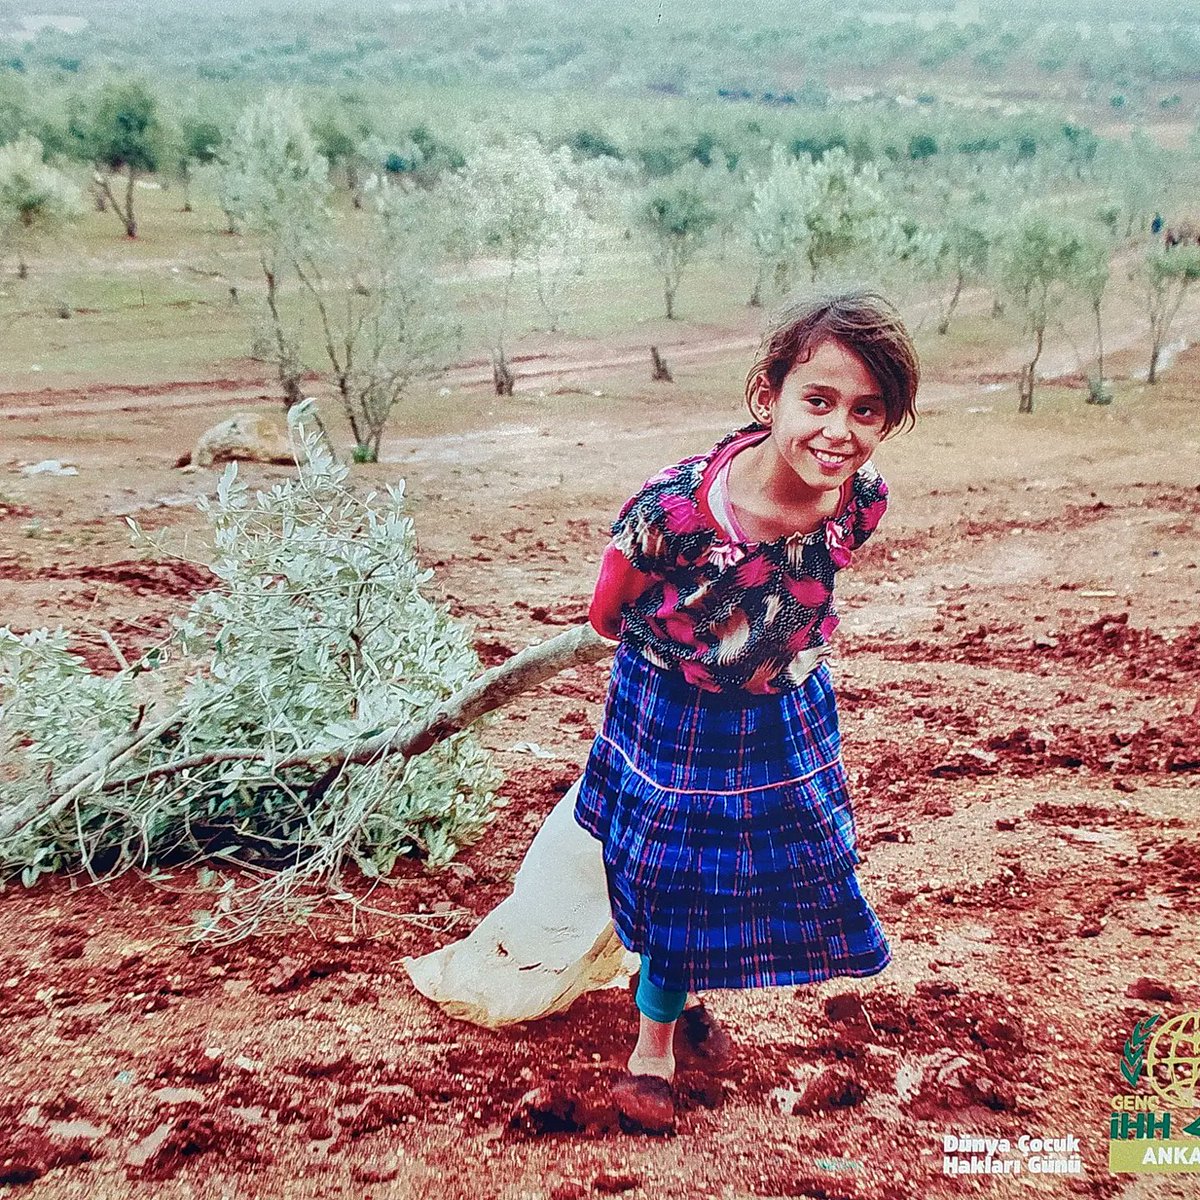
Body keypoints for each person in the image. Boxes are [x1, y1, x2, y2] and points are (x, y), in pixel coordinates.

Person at [574, 290, 919, 1132]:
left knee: (777, 864)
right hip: (675, 711)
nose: (840, 430)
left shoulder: (860, 499)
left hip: (784, 710)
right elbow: (605, 613)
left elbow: (806, 583)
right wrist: (698, 653)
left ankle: (676, 988)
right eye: (819, 400)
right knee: (673, 873)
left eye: (866, 411)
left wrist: (766, 652)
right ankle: (655, 1043)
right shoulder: (677, 513)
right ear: (767, 396)